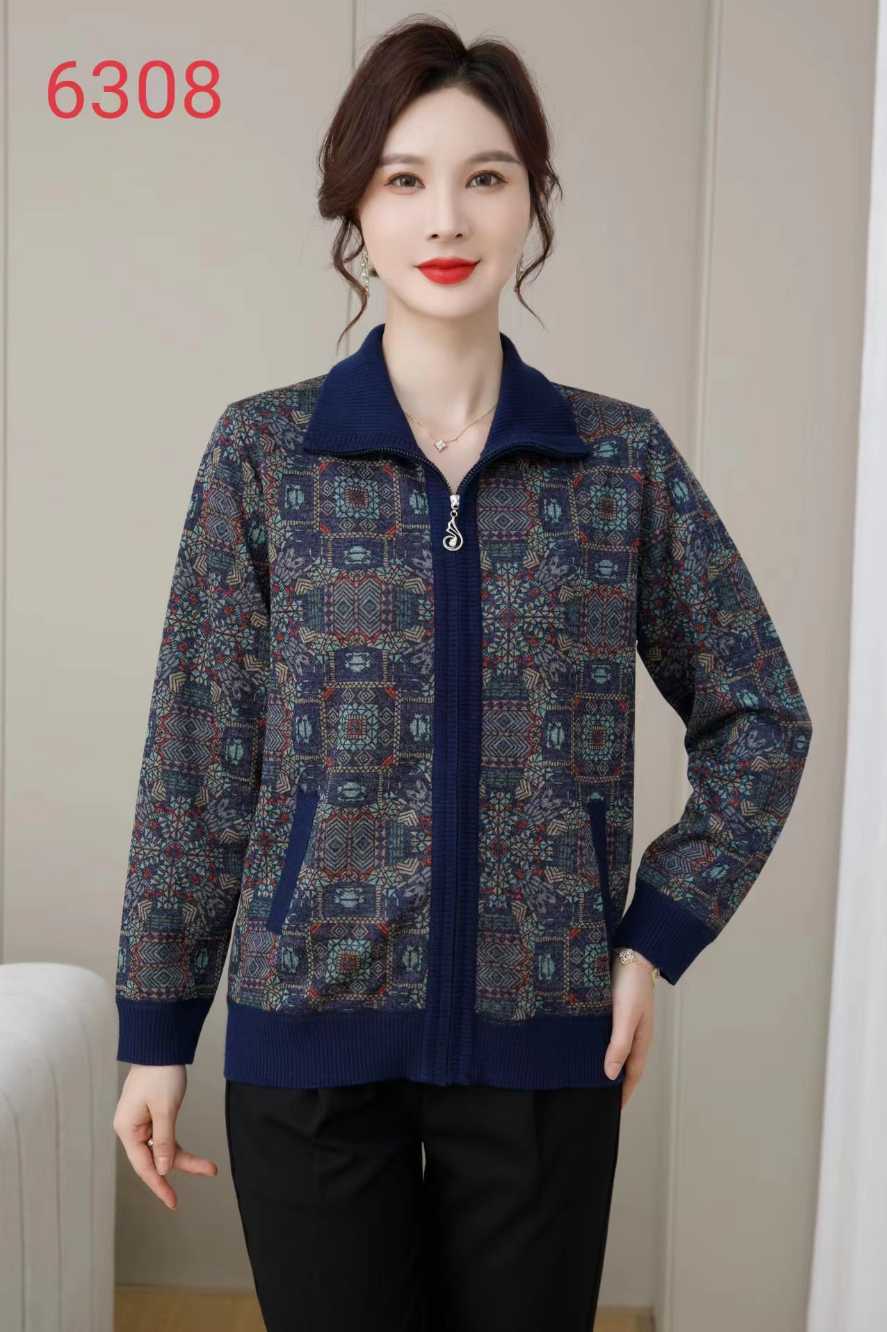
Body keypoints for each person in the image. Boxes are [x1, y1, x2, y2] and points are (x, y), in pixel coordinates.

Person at [111, 17, 813, 1332]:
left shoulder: (616, 462)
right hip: (308, 1045)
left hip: (545, 1045)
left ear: (530, 200)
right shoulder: (264, 456)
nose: (446, 216)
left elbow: (761, 716)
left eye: (485, 177)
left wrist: (652, 941)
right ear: (355, 208)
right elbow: (197, 760)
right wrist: (155, 1031)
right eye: (404, 178)